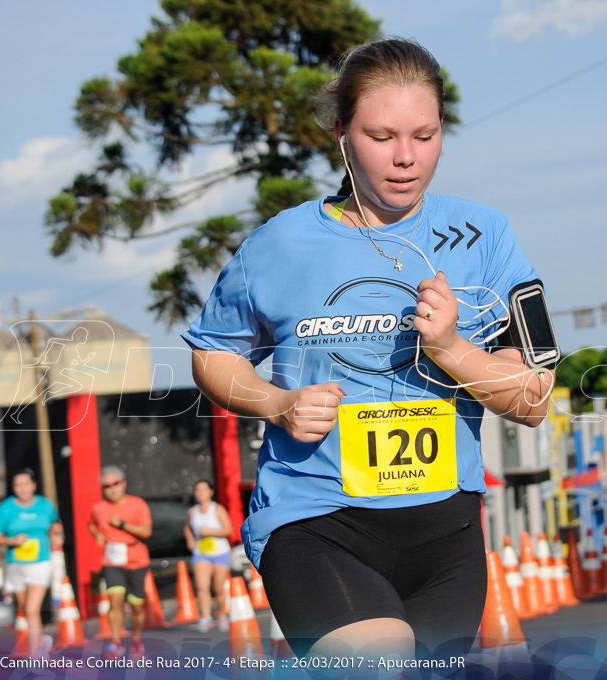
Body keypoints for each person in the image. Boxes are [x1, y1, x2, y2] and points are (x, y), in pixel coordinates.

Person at [182, 38, 553, 662]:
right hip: (317, 521)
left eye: (425, 135)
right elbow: (212, 354)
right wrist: (275, 404)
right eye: (381, 136)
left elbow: (535, 399)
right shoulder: (278, 244)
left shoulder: (488, 236)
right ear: (342, 136)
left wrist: (450, 347)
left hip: (446, 531)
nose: (406, 157)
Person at [0, 469, 63, 658]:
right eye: (18, 485)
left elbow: (56, 524)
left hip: (40, 562)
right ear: (14, 488)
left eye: (26, 484)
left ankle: (36, 655)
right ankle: (41, 642)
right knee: (26, 609)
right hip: (16, 563)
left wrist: (56, 535)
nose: (22, 488)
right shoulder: (5, 509)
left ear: (34, 485)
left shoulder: (46, 505)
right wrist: (12, 541)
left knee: (32, 609)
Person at [88, 466, 153, 659]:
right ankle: (115, 642)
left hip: (137, 559)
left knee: (137, 607)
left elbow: (147, 532)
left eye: (115, 484)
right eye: (106, 486)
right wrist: (97, 535)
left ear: (123, 484)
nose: (111, 489)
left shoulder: (138, 504)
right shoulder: (99, 508)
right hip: (112, 561)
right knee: (114, 602)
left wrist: (123, 524)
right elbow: (91, 523)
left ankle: (136, 640)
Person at [184, 480, 233, 633]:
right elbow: (187, 528)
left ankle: (222, 615)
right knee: (202, 586)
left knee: (217, 587)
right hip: (201, 553)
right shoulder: (192, 511)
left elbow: (228, 530)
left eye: (204, 490)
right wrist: (190, 539)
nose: (200, 493)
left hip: (220, 553)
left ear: (211, 492)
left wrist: (210, 531)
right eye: (197, 490)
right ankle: (206, 617)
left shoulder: (217, 509)